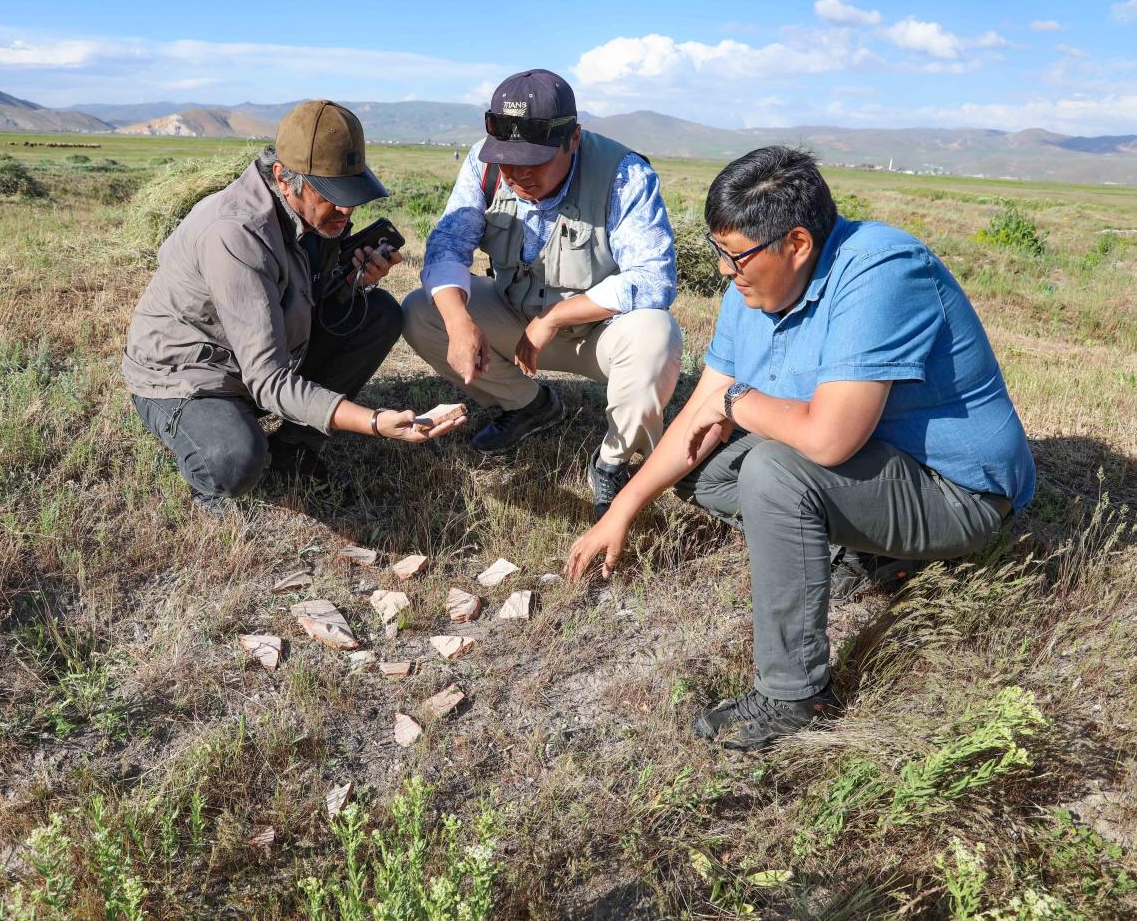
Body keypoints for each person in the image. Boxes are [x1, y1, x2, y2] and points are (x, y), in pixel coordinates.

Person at [566, 146, 1036, 751]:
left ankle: (792, 697)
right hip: (877, 469)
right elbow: (701, 411)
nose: (725, 273)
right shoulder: (753, 289)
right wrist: (621, 510)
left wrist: (735, 403)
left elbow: (827, 438)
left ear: (797, 243)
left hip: (958, 493)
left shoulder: (882, 273)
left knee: (773, 471)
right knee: (703, 465)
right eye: (718, 253)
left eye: (735, 257)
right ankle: (879, 555)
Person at [122, 100, 464, 514]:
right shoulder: (235, 234)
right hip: (190, 375)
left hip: (262, 352)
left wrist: (350, 285)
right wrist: (373, 422)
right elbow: (267, 379)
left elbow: (302, 299)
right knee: (234, 460)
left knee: (377, 313)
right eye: (334, 195)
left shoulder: (311, 213)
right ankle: (213, 475)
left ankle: (293, 451)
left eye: (352, 193)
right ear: (284, 178)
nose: (347, 209)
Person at [402, 69, 682, 519]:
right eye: (508, 161)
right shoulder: (484, 164)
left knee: (657, 334)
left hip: (600, 334)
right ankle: (528, 405)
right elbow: (447, 246)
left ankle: (612, 461)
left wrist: (554, 317)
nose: (517, 175)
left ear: (573, 139)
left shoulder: (623, 173)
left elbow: (653, 279)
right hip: (515, 321)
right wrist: (459, 322)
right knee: (423, 310)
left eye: (533, 162)